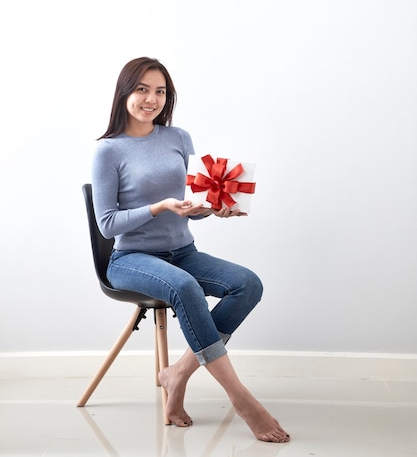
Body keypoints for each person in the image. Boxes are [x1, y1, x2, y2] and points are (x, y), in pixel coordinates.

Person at [91, 56, 290, 443]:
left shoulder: (178, 138)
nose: (151, 99)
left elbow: (190, 206)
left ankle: (178, 372)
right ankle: (240, 396)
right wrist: (160, 205)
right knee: (185, 287)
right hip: (131, 259)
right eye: (142, 89)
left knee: (247, 284)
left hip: (183, 251)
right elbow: (107, 224)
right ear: (124, 93)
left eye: (160, 91)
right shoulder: (108, 151)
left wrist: (213, 210)